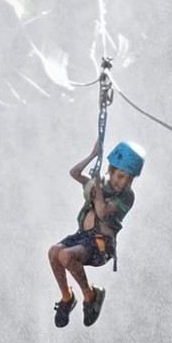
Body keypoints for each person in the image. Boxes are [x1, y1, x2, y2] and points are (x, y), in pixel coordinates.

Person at [48, 138, 144, 328]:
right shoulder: (101, 184)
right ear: (110, 170)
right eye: (119, 176)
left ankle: (91, 296)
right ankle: (67, 298)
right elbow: (75, 173)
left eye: (128, 179)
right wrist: (93, 155)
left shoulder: (127, 196)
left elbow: (101, 211)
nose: (122, 182)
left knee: (66, 256)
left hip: (101, 245)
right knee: (53, 252)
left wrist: (98, 190)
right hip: (83, 237)